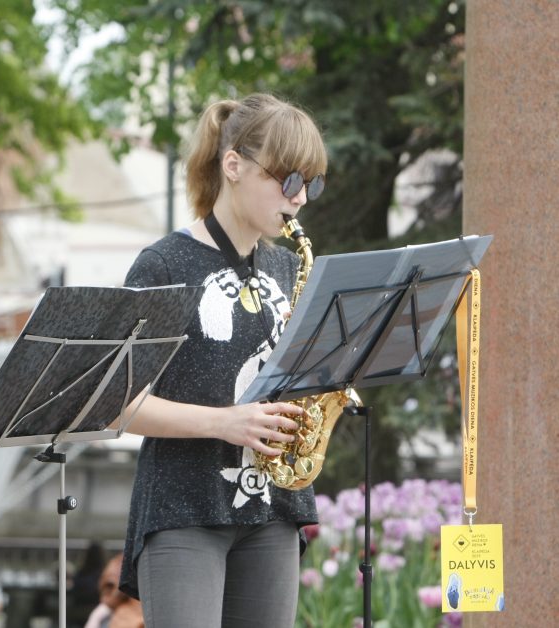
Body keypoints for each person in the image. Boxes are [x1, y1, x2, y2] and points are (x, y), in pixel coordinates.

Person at [116, 93, 326, 627]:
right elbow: (117, 403)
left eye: (310, 184)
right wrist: (226, 423)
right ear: (233, 165)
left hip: (273, 509)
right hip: (184, 508)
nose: (299, 198)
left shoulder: (285, 267)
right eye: (288, 180)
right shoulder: (163, 263)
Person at [84, 555, 143, 628]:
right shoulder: (101, 613)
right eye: (107, 587)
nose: (106, 594)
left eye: (110, 586)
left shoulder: (131, 610)